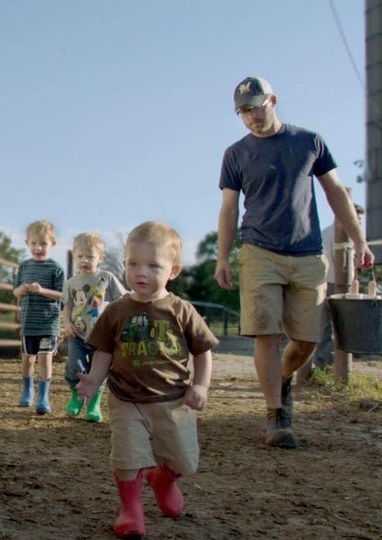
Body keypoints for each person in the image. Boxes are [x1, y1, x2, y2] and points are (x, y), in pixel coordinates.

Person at [215, 76, 374, 449]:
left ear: (273, 100)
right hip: (258, 252)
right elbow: (228, 208)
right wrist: (223, 257)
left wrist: (359, 240)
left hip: (306, 254)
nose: (251, 115)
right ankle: (277, 415)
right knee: (267, 334)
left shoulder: (308, 142)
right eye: (243, 111)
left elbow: (335, 192)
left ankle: (282, 380)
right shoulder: (235, 154)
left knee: (306, 341)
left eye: (255, 106)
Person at [76, 221, 217, 538]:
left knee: (184, 460)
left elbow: (203, 352)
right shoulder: (116, 311)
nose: (142, 272)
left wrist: (200, 386)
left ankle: (163, 479)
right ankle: (131, 510)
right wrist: (94, 380)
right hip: (126, 398)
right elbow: (104, 351)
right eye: (133, 263)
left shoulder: (181, 310)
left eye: (154, 265)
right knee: (126, 456)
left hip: (174, 400)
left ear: (174, 271)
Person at [61, 232, 127, 422]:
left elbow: (121, 300)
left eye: (90, 256)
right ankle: (76, 396)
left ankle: (94, 404)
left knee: (98, 370)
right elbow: (68, 307)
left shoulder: (107, 278)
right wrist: (67, 324)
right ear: (74, 256)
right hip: (78, 336)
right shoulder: (71, 283)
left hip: (102, 337)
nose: (85, 260)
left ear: (100, 258)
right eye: (80, 256)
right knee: (76, 366)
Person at [13, 219, 65, 414]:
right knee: (28, 359)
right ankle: (27, 391)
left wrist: (42, 290)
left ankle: (43, 397)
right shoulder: (24, 267)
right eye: (34, 243)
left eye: (43, 243)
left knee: (45, 358)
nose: (38, 247)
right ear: (27, 243)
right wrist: (22, 290)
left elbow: (62, 295)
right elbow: (15, 292)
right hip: (29, 323)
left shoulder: (56, 269)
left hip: (48, 323)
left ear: (52, 244)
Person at [307, 204, 365, 376]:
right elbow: (345, 266)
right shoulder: (345, 238)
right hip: (338, 284)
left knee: (323, 328)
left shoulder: (323, 232)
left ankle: (320, 368)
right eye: (358, 219)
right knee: (347, 328)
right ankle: (323, 360)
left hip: (320, 283)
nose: (359, 223)